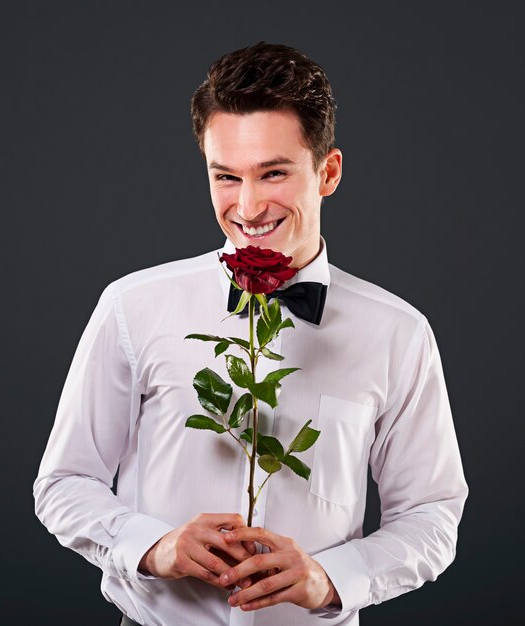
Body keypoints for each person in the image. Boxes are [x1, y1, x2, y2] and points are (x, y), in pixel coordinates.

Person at [33, 42, 467, 626]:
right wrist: (150, 545)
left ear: (328, 172)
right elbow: (63, 483)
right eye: (226, 176)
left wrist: (333, 578)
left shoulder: (400, 333)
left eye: (274, 173)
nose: (249, 204)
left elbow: (433, 516)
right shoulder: (132, 306)